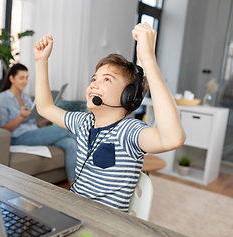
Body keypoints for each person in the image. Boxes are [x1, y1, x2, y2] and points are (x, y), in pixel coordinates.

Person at [34, 23, 186, 212]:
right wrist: (41, 61)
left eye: (107, 79)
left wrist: (149, 60)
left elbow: (173, 138)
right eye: (94, 79)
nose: (95, 84)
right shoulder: (83, 123)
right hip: (73, 212)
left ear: (127, 96)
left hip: (104, 225)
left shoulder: (130, 131)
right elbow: (45, 107)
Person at [0, 63, 77, 183]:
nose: (25, 81)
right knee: (66, 128)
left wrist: (42, 121)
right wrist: (21, 116)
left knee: (70, 143)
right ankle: (92, 170)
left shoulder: (26, 97)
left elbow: (34, 123)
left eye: (27, 78)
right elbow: (4, 128)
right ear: (11, 78)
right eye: (21, 78)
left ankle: (73, 184)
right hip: (18, 137)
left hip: (34, 133)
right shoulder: (0, 99)